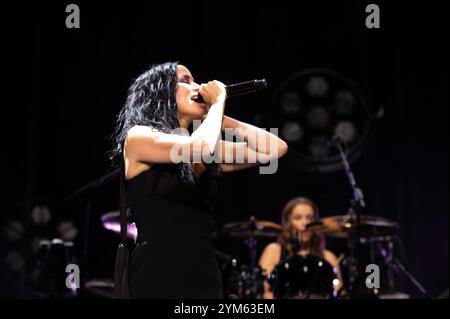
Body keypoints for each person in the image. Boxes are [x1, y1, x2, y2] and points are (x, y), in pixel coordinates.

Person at [110, 62, 288, 298]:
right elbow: (198, 147)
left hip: (203, 272)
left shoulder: (206, 147)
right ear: (161, 92)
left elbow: (274, 149)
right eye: (186, 81)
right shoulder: (139, 137)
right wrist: (216, 105)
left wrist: (219, 115)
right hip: (158, 272)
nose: (197, 87)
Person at [259, 196, 343, 299]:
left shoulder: (328, 257)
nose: (305, 223)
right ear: (287, 222)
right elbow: (265, 291)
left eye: (309, 218)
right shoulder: (274, 251)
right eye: (298, 218)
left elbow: (338, 293)